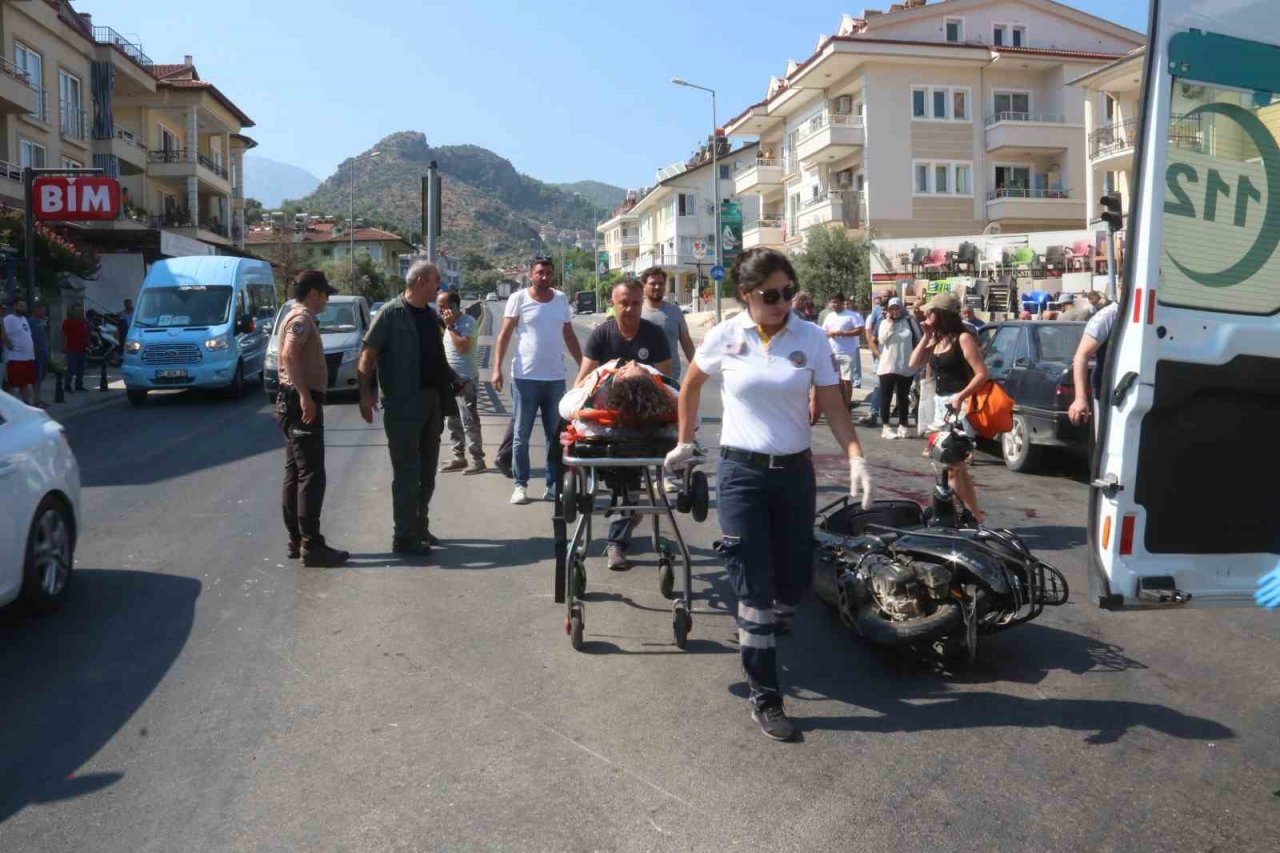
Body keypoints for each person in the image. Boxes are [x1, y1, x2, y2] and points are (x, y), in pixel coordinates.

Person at [665, 247, 873, 742]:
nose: (783, 303)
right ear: (746, 295)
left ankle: (771, 618)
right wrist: (685, 441)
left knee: (794, 580)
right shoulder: (725, 336)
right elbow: (690, 385)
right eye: (771, 295)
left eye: (788, 293)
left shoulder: (813, 338)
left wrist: (856, 455)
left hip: (794, 474)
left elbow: (832, 404)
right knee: (753, 590)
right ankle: (766, 695)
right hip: (741, 474)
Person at [359, 261, 469, 556]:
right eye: (436, 281)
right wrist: (365, 395)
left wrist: (453, 378)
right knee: (407, 472)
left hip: (433, 402)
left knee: (428, 471)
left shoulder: (430, 315)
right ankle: (403, 536)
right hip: (403, 406)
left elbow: (435, 357)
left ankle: (419, 524)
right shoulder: (391, 314)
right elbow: (367, 356)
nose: (439, 287)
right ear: (420, 281)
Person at [576, 277, 671, 571]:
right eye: (623, 303)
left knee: (629, 481)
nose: (629, 309)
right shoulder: (602, 336)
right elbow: (581, 382)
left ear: (642, 303)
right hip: (609, 421)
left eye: (634, 303)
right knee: (599, 475)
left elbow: (665, 384)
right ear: (613, 304)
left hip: (642, 421)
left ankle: (616, 543)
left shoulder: (654, 335)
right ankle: (621, 516)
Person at [490, 255, 583, 506]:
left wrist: (585, 365)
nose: (544, 277)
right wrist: (496, 369)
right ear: (530, 274)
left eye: (548, 273)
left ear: (553, 275)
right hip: (525, 378)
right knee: (521, 434)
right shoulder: (518, 299)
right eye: (539, 272)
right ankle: (520, 484)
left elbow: (569, 334)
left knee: (555, 436)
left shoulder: (561, 299)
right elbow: (504, 335)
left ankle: (553, 485)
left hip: (555, 379)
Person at [275, 270, 349, 568]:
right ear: (314, 293)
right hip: (300, 401)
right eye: (325, 294)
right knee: (311, 474)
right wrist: (305, 395)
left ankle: (296, 538)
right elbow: (290, 355)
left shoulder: (294, 316)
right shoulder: (302, 318)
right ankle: (312, 544)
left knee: (295, 471)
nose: (327, 300)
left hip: (290, 400)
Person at [909, 292, 989, 523]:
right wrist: (925, 337)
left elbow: (982, 374)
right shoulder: (936, 340)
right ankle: (974, 516)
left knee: (952, 465)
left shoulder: (963, 339)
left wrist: (961, 396)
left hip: (957, 404)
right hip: (938, 404)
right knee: (957, 467)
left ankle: (963, 516)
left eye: (930, 311)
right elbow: (913, 363)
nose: (925, 314)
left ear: (940, 314)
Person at [437, 290, 486, 475]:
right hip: (450, 380)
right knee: (453, 420)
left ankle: (477, 459)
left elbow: (463, 346)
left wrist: (450, 327)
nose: (440, 310)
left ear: (454, 306)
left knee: (469, 420)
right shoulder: (446, 324)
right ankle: (459, 457)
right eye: (439, 306)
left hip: (466, 379)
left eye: (443, 306)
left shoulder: (467, 323)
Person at [1068, 298, 1121, 429]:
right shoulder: (1110, 314)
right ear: (1120, 284)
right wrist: (1080, 397)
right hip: (1108, 394)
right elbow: (1082, 355)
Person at [870, 298, 918, 440]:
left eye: (897, 308)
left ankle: (903, 426)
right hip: (888, 366)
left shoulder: (909, 321)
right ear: (889, 310)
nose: (895, 311)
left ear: (901, 308)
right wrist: (890, 324)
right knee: (887, 397)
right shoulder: (883, 323)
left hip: (905, 365)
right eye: (892, 309)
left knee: (903, 397)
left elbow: (919, 339)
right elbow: (882, 340)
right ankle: (886, 427)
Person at [639, 267, 695, 381]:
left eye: (661, 283)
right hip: (642, 379)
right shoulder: (636, 311)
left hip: (670, 378)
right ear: (643, 286)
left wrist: (695, 367)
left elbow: (686, 340)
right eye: (652, 283)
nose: (657, 287)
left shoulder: (675, 311)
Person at [820, 292, 864, 405]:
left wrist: (843, 333)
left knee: (846, 380)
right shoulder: (829, 316)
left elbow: (859, 331)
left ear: (841, 302)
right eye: (831, 302)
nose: (833, 304)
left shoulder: (852, 315)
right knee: (834, 380)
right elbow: (824, 331)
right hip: (832, 352)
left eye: (835, 302)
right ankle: (837, 403)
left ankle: (847, 404)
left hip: (847, 352)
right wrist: (829, 333)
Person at [3, 297, 36, 403]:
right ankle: (10, 407)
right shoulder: (9, 319)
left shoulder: (24, 319)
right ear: (15, 306)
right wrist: (8, 344)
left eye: (24, 306)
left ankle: (27, 405)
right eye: (21, 305)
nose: (23, 308)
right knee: (13, 385)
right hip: (16, 358)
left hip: (28, 357)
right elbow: (3, 334)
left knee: (25, 384)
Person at [62, 304, 89, 392]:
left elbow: (86, 334)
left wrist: (88, 344)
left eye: (81, 310)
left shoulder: (84, 322)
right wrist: (64, 346)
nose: (80, 312)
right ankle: (67, 385)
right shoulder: (67, 322)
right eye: (78, 310)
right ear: (72, 311)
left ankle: (79, 385)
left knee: (81, 367)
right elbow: (64, 335)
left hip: (82, 348)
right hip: (71, 348)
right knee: (71, 367)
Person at [30, 303, 49, 407]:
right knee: (37, 377)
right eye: (42, 310)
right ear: (36, 310)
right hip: (37, 353)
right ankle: (36, 400)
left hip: (44, 351)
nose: (44, 312)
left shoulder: (42, 321)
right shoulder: (30, 322)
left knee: (41, 377)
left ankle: (39, 399)